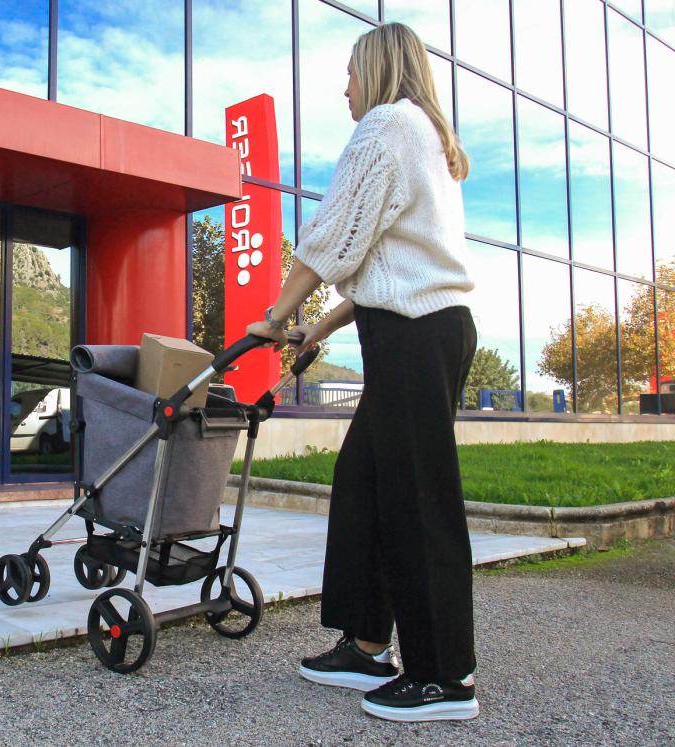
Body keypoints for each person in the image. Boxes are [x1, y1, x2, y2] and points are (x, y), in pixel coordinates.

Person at [246, 23, 479, 722]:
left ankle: (445, 675)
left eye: (349, 71)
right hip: (415, 329)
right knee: (365, 483)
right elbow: (385, 259)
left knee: (416, 497)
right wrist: (318, 325)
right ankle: (370, 641)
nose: (343, 85)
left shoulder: (385, 126)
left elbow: (332, 230)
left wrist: (277, 312)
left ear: (376, 70)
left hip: (416, 335)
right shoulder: (417, 135)